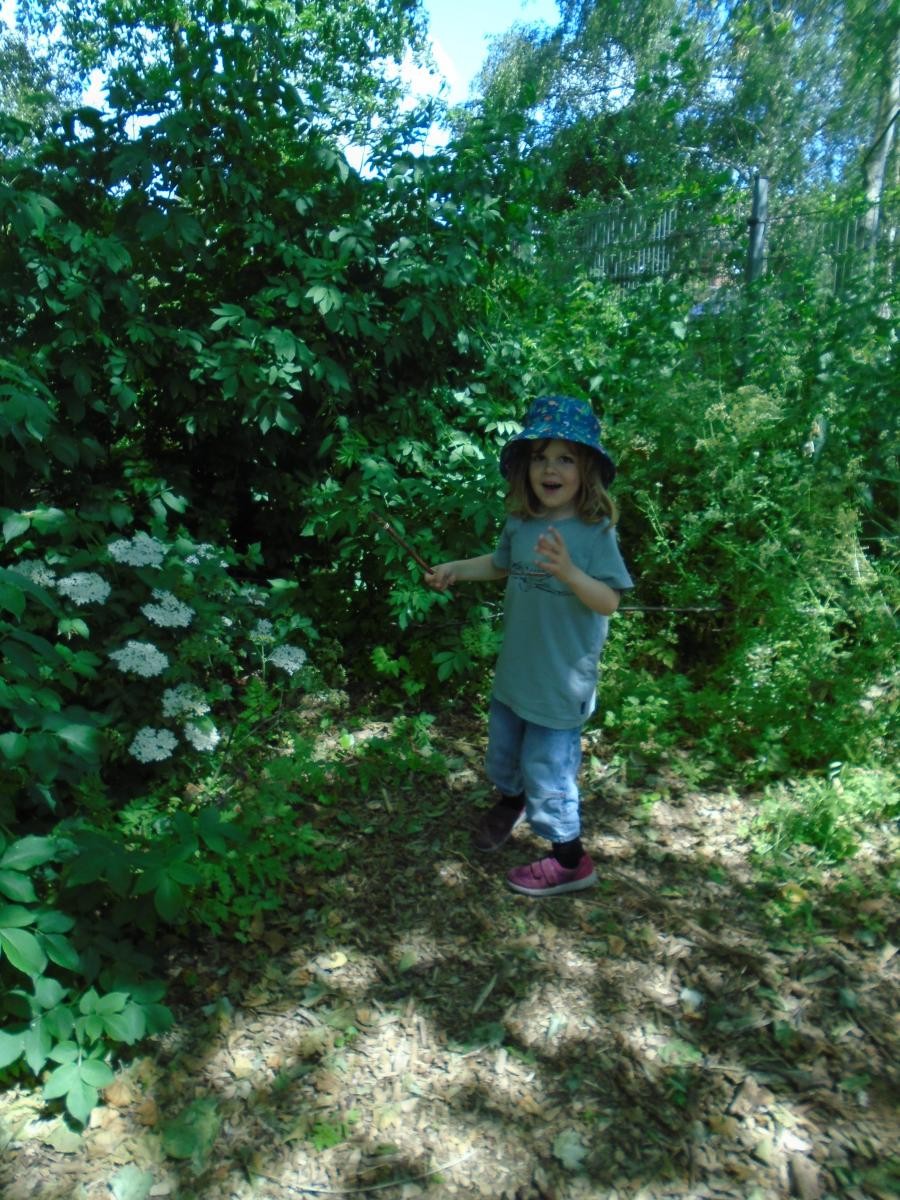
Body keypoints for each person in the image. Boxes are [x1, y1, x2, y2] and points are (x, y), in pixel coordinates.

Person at [425, 395, 633, 897]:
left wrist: (569, 572)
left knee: (550, 774)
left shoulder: (595, 533)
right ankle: (510, 801)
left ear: (587, 469)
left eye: (565, 458)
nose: (550, 468)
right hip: (516, 672)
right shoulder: (522, 522)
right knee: (503, 755)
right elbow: (500, 565)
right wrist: (454, 569)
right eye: (540, 456)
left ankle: (570, 861)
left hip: (560, 686)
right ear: (525, 466)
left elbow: (608, 601)